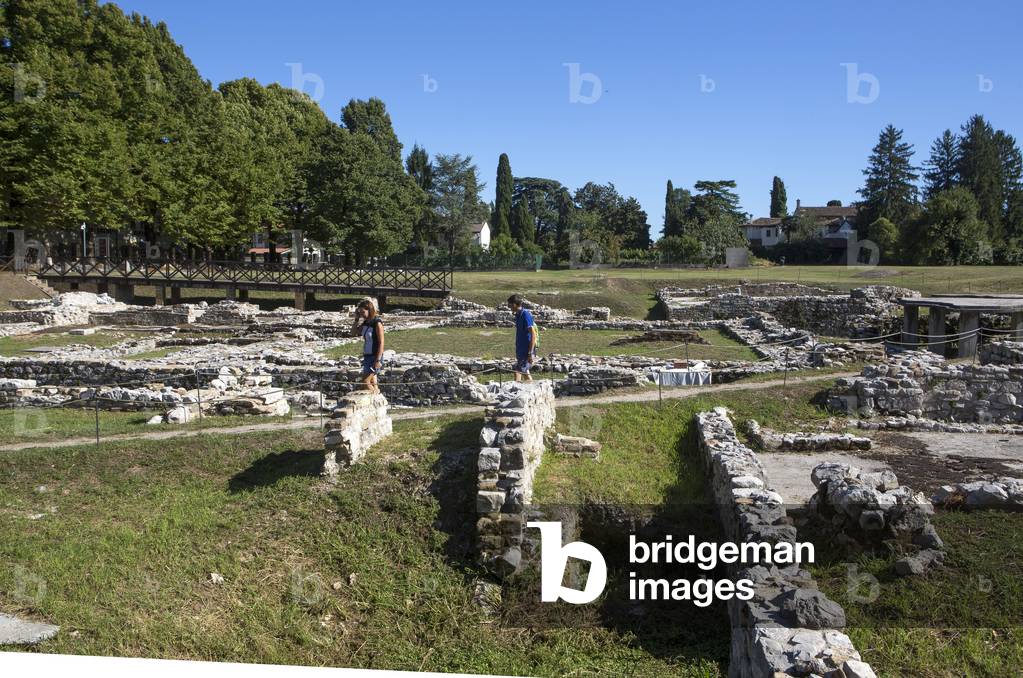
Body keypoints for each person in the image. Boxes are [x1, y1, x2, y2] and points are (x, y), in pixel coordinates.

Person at [351, 298, 384, 392]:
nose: (361, 314)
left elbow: (381, 342)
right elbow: (353, 333)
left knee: (365, 381)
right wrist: (357, 319)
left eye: (363, 312)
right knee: (373, 383)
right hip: (367, 356)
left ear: (369, 310)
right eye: (359, 312)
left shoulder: (377, 323)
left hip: (375, 356)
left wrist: (378, 360)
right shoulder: (366, 323)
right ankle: (375, 398)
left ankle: (376, 399)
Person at [507, 294, 537, 381]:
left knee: (518, 371)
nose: (509, 307)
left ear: (514, 304)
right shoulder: (518, 315)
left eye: (510, 305)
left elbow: (533, 334)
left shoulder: (525, 315)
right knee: (525, 372)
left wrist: (530, 353)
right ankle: (533, 390)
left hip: (526, 351)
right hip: (521, 350)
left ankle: (516, 392)